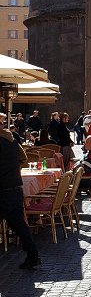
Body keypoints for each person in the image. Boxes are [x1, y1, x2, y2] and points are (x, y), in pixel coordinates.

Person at [0, 113, 40, 269]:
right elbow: (23, 159)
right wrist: (13, 170)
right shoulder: (12, 140)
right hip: (15, 188)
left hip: (3, 190)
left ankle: (33, 255)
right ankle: (33, 255)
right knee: (19, 226)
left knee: (19, 225)